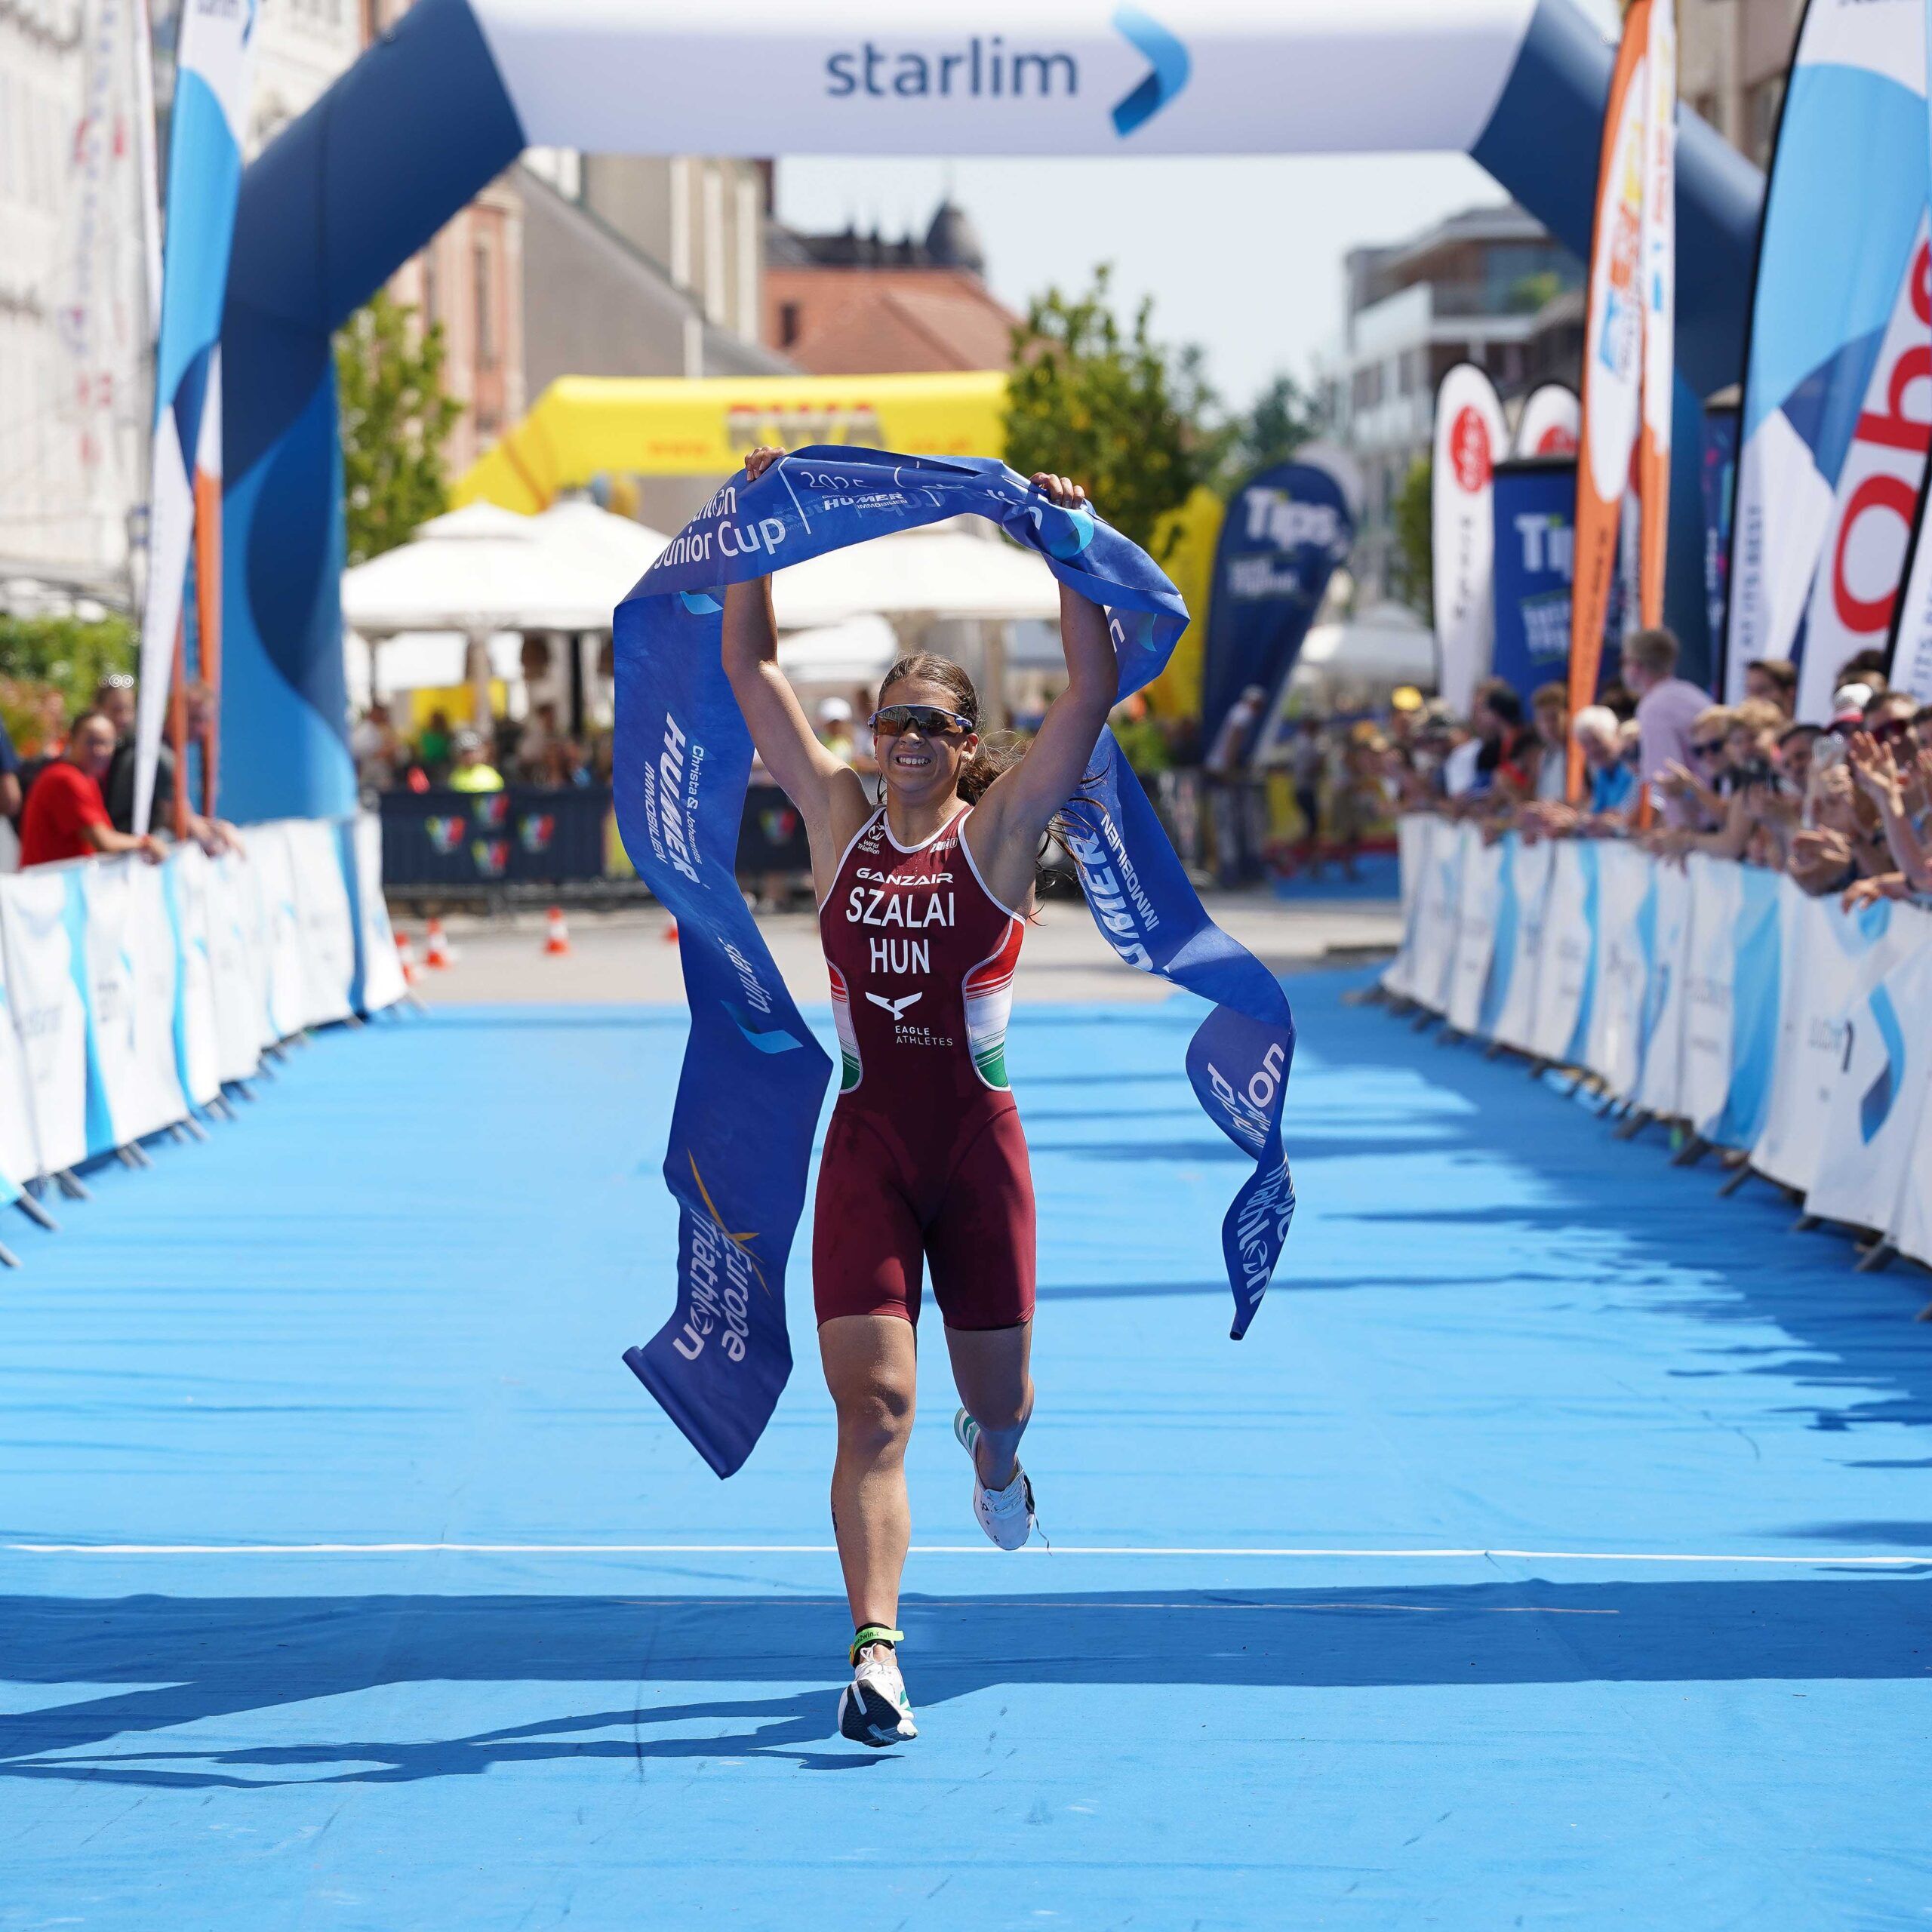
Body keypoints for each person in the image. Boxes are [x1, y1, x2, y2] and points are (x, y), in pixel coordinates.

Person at [721, 447, 1110, 1749]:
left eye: (932, 729)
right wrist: (752, 528)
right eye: (890, 724)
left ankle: (995, 1460)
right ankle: (876, 1652)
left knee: (995, 1407)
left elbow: (1092, 688)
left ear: (964, 747)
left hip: (979, 1155)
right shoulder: (835, 817)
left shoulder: (999, 834)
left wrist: (1065, 544)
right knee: (871, 1405)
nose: (905, 747)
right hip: (873, 1143)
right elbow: (749, 678)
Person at [19, 711, 165, 868]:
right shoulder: (66, 779)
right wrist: (146, 843)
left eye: (107, 743)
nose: (100, 750)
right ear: (71, 740)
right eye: (91, 742)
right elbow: (104, 842)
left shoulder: (84, 777)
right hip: (50, 886)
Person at [1617, 627, 1710, 826]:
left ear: (1635, 666)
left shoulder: (1653, 708)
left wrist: (1678, 837)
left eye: (1624, 662)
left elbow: (1669, 781)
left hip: (1700, 826)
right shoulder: (1692, 693)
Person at [447, 728, 504, 792]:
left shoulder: (490, 775)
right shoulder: (454, 776)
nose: (469, 756)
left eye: (472, 752)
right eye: (464, 753)